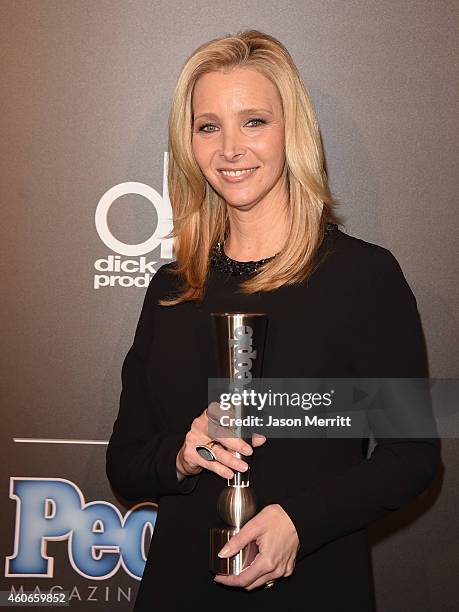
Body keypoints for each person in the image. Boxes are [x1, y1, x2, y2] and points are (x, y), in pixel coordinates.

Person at [106, 30, 440, 611]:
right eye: (208, 126)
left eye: (254, 121)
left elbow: (412, 458)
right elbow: (126, 462)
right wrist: (182, 456)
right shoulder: (171, 288)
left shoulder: (363, 277)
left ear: (294, 132)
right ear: (188, 143)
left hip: (314, 585)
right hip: (180, 590)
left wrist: (300, 522)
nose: (230, 148)